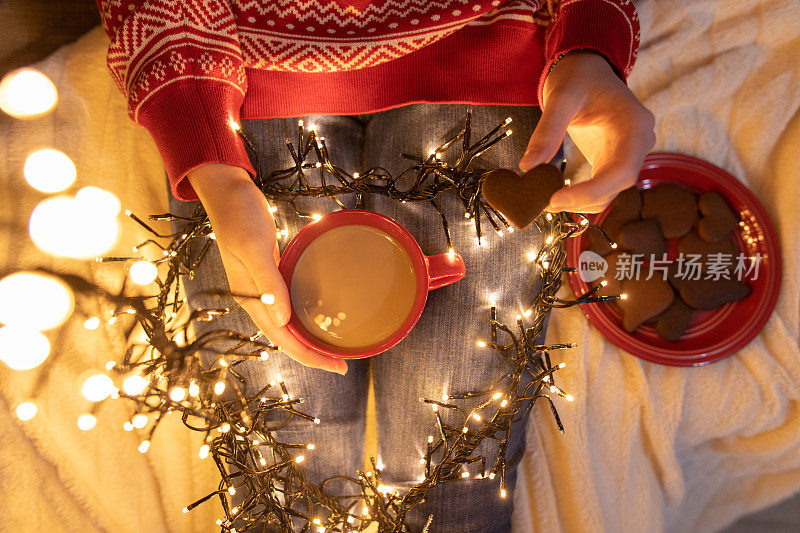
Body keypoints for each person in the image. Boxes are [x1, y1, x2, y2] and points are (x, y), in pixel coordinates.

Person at [98, 1, 654, 531]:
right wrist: (203, 138)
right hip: (240, 74)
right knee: (281, 482)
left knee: (454, 481)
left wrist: (590, 35)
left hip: (485, 56)